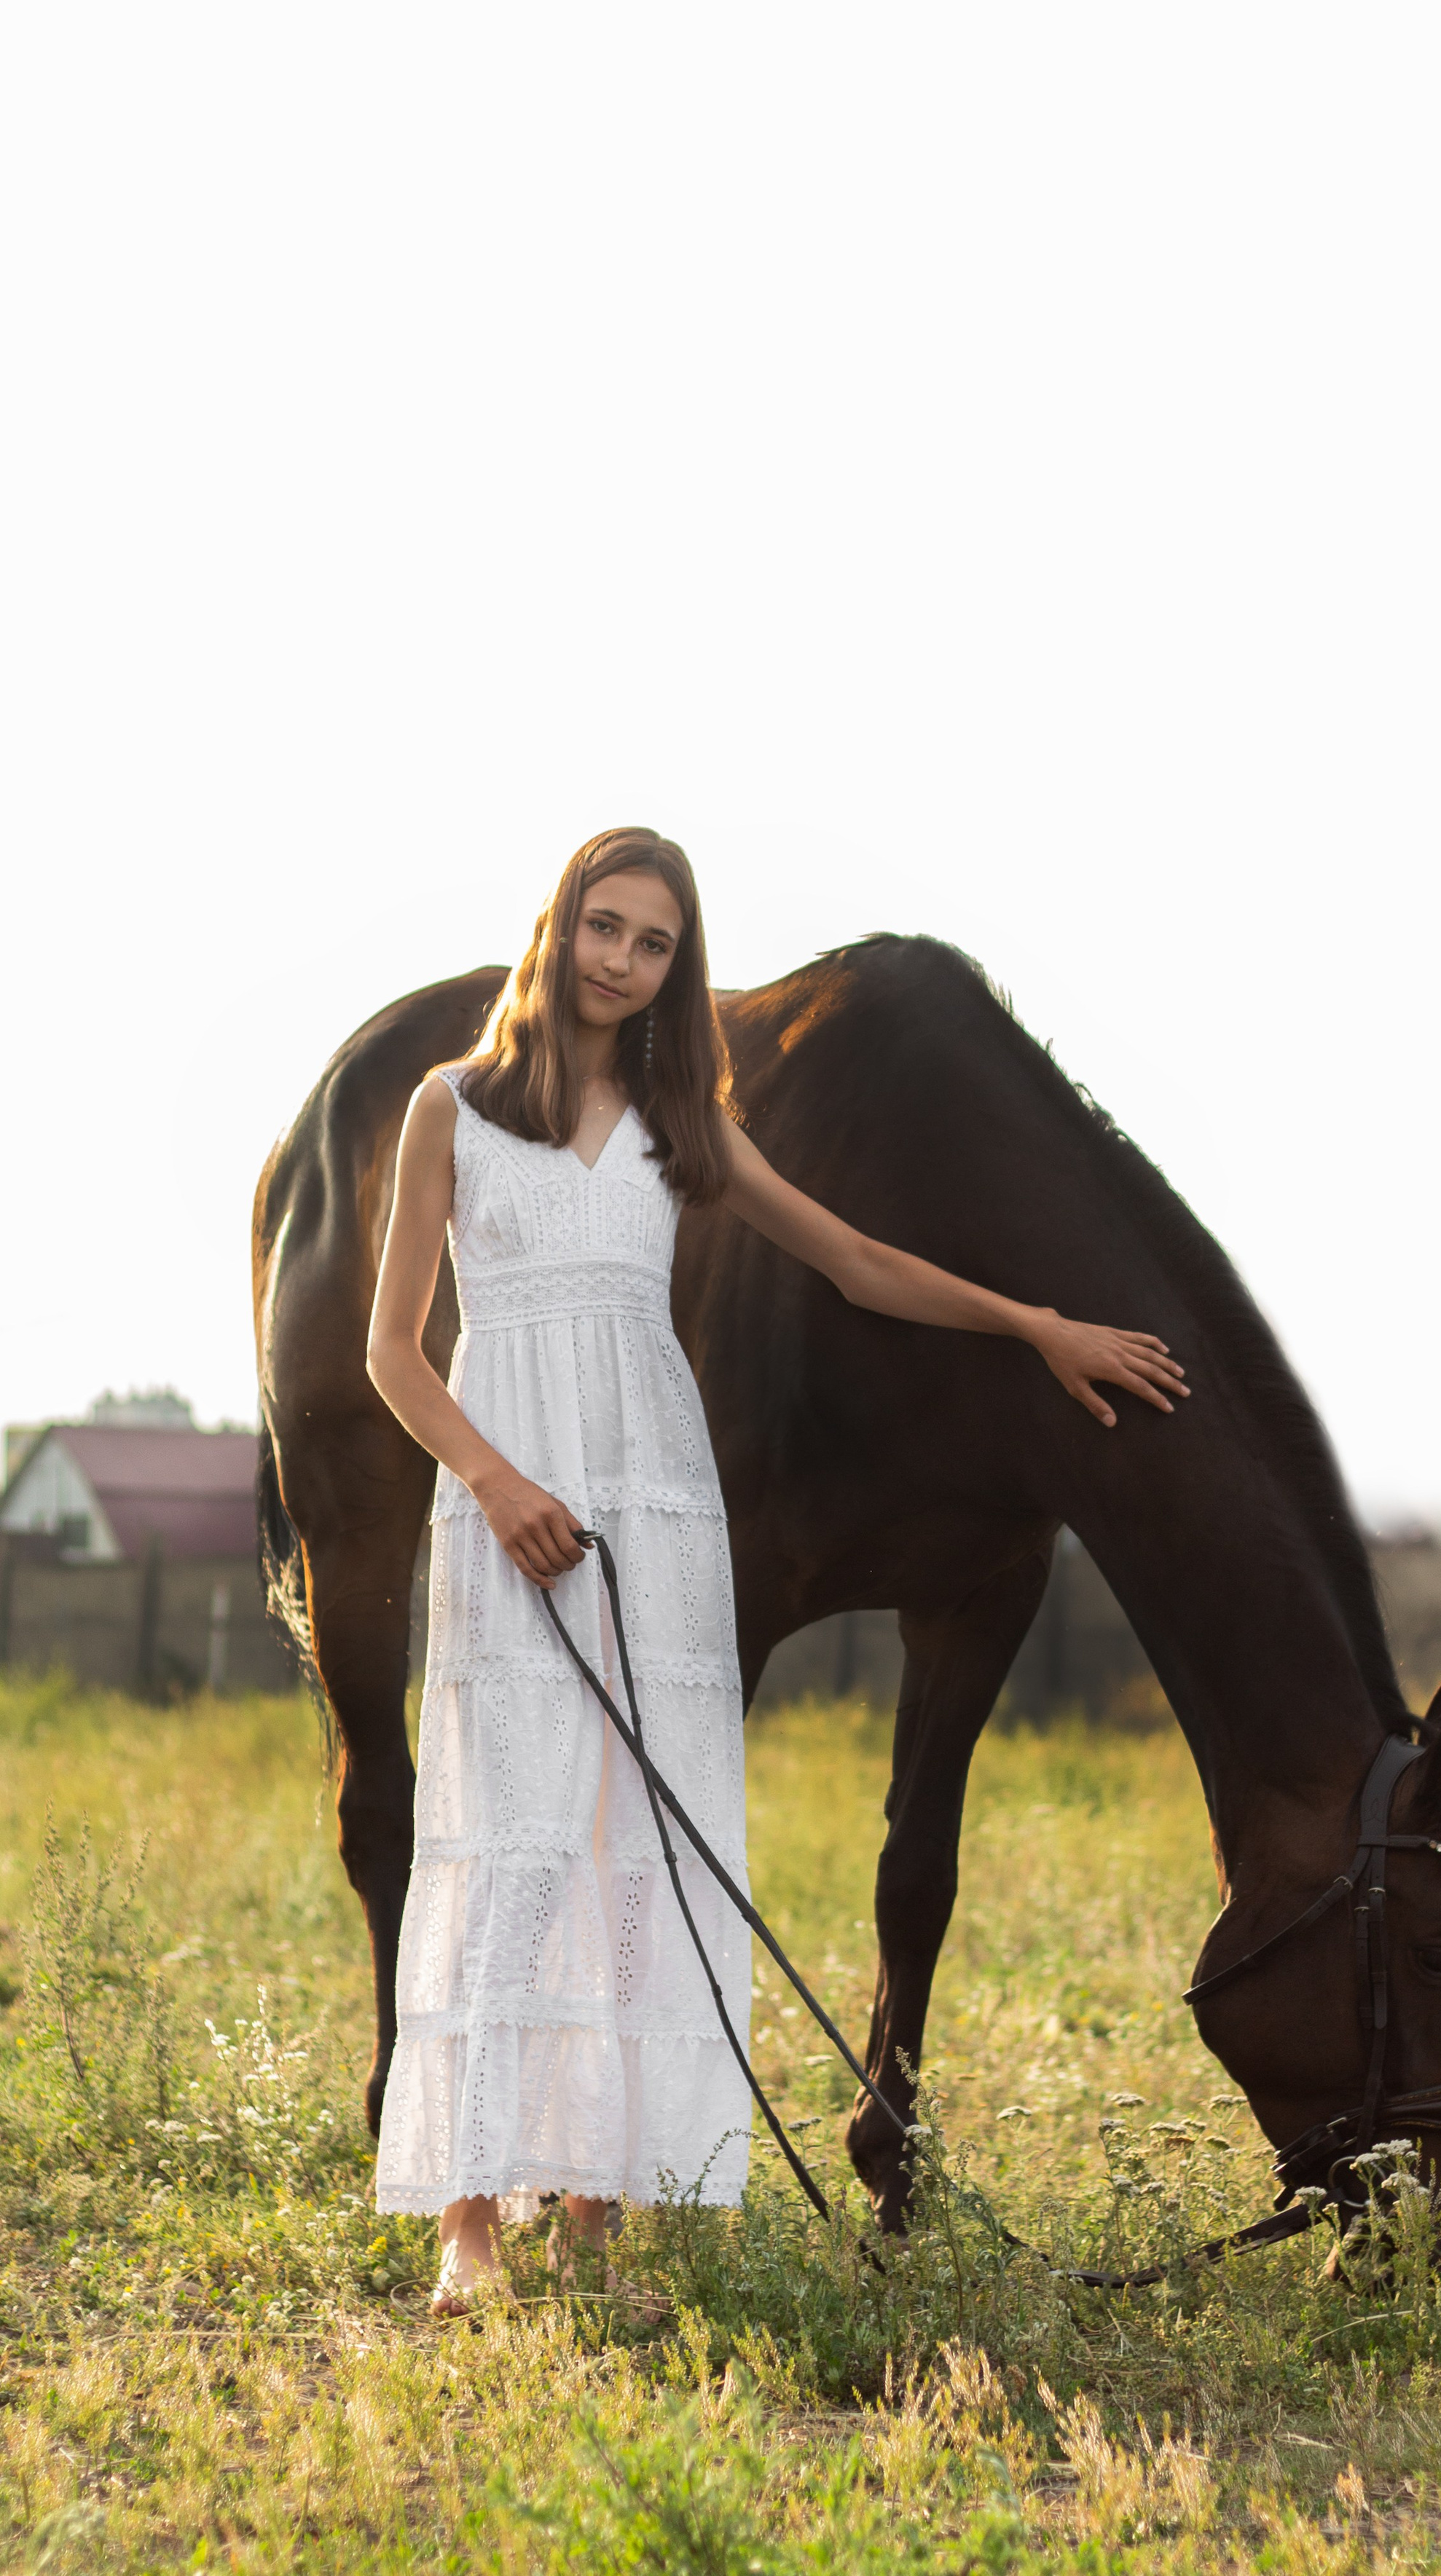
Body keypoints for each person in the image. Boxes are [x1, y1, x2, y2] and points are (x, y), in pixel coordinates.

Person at [365, 827, 1188, 2312]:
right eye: (605, 926)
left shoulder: (685, 1126)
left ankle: (595, 2219)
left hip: (656, 1513)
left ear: (675, 968)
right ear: (558, 925)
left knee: (633, 1849)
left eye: (654, 943)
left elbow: (859, 1261)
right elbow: (393, 1353)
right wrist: (495, 1483)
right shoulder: (451, 1109)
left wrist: (1039, 1327)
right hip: (512, 1506)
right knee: (513, 1838)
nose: (622, 960)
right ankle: (468, 2224)